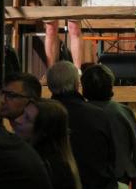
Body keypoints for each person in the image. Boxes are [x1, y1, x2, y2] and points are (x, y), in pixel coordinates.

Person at [48, 61, 118, 189]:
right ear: (77, 84)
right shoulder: (98, 115)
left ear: (49, 85)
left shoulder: (40, 115)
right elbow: (111, 158)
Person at [81, 64, 136, 189]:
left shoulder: (79, 114)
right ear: (111, 85)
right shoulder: (123, 112)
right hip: (119, 179)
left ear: (84, 87)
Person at [14, 99, 83, 189]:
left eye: (27, 118)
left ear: (43, 132)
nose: (17, 120)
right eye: (22, 113)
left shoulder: (46, 169)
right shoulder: (51, 161)